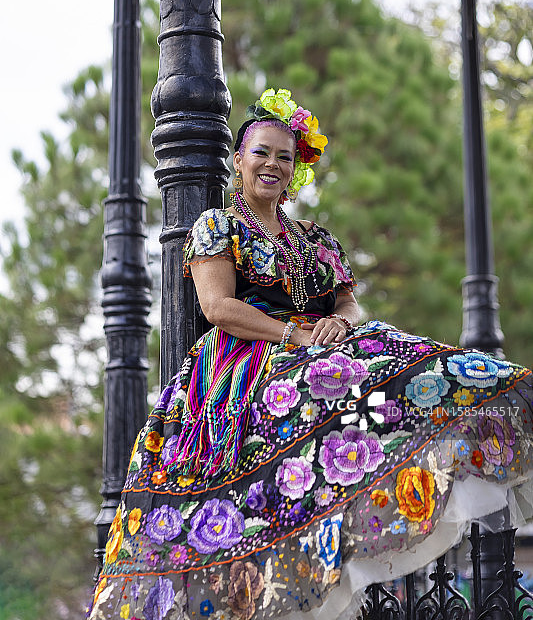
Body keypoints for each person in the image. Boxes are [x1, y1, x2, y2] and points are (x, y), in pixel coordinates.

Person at [88, 88, 533, 620]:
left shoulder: (316, 239)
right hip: (245, 360)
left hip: (321, 347)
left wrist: (338, 323)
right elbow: (218, 307)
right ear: (238, 161)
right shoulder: (218, 226)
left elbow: (347, 301)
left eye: (285, 156)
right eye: (262, 153)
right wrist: (293, 335)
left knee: (407, 361)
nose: (273, 164)